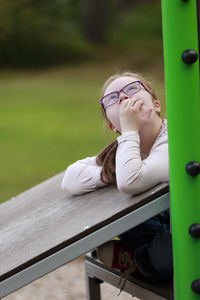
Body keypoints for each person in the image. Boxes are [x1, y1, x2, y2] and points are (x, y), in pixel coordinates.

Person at [61, 71, 173, 292]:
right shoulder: (125, 151)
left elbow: (130, 181)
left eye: (132, 88)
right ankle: (145, 252)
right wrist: (107, 174)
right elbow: (70, 179)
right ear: (114, 127)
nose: (122, 97)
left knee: (166, 257)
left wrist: (130, 130)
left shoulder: (172, 141)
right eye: (111, 98)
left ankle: (139, 262)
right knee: (123, 217)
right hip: (166, 221)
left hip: (190, 225)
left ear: (157, 105)